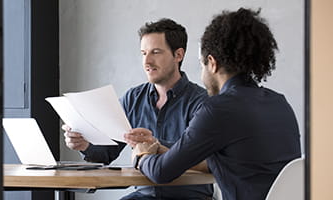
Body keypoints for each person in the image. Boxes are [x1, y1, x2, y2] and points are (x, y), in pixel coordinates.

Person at [131, 8, 301, 200]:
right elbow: (218, 157)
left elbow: (161, 172)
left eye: (202, 64)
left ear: (212, 63)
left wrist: (141, 156)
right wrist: (159, 145)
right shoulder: (279, 103)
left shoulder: (218, 109)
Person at [63, 18, 214, 199]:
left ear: (178, 55)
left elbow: (203, 157)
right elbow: (106, 153)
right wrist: (84, 144)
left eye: (155, 52)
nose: (147, 61)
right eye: (143, 53)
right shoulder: (133, 99)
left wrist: (155, 145)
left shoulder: (202, 102)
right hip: (143, 195)